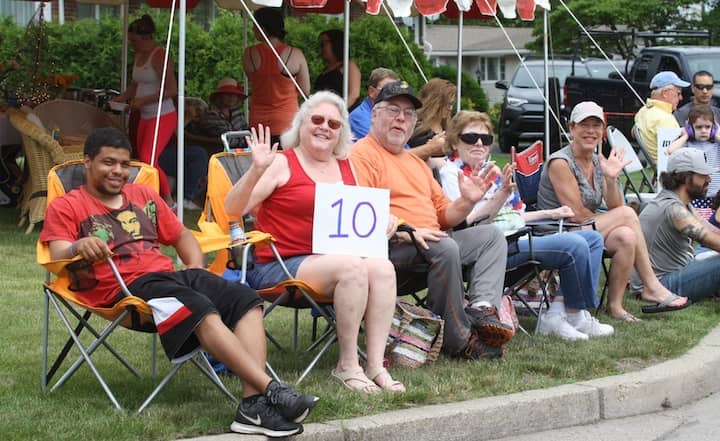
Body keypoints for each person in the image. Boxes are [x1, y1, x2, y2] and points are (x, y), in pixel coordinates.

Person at [39, 127, 318, 438]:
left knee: (244, 297)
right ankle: (272, 390)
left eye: (124, 163)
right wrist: (79, 246)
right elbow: (58, 252)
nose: (118, 171)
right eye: (108, 162)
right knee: (199, 307)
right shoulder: (68, 205)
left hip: (169, 278)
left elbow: (181, 235)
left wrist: (195, 270)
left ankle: (252, 404)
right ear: (87, 162)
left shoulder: (143, 195)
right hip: (124, 288)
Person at [224, 91, 404, 394]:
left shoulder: (347, 167)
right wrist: (256, 169)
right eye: (317, 120)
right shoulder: (282, 162)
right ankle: (347, 365)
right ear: (301, 124)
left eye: (334, 124)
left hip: (333, 259)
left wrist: (384, 221)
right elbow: (231, 210)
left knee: (383, 268)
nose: (325, 127)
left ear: (341, 133)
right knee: (352, 267)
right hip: (279, 264)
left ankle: (375, 364)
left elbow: (358, 216)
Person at [350, 80, 514, 360]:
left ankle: (482, 310)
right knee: (445, 246)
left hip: (431, 242)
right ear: (375, 115)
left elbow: (444, 216)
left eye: (409, 114)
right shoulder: (361, 155)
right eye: (393, 110)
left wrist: (467, 200)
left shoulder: (415, 163)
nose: (401, 118)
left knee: (491, 237)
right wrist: (408, 231)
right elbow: (362, 215)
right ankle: (459, 341)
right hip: (388, 248)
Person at [439, 110, 612, 340]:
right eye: (470, 138)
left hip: (518, 235)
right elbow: (466, 225)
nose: (479, 143)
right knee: (574, 244)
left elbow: (515, 216)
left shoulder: (492, 171)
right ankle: (565, 315)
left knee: (593, 239)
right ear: (455, 141)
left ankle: (566, 311)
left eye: (486, 138)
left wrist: (551, 212)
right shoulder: (452, 174)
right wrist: (500, 196)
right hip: (494, 249)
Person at [537, 101, 689, 322]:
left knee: (626, 236)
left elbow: (614, 208)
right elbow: (575, 213)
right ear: (571, 128)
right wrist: (616, 217)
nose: (591, 131)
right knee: (628, 215)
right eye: (584, 125)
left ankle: (615, 306)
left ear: (603, 130)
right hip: (557, 232)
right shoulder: (560, 162)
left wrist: (611, 178)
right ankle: (651, 285)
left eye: (596, 125)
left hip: (585, 230)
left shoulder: (598, 160)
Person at [631, 147, 720, 304]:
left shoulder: (681, 203)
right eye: (703, 175)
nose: (709, 180)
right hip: (661, 285)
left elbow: (711, 229)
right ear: (686, 177)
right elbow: (713, 241)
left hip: (674, 274)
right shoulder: (675, 210)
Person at [113, 14, 177, 206]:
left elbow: (172, 90)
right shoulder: (139, 54)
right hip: (146, 114)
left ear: (146, 37)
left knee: (150, 159)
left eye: (134, 40)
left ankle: (168, 200)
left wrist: (144, 100)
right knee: (143, 159)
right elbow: (135, 84)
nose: (131, 44)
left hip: (163, 114)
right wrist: (121, 98)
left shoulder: (160, 55)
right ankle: (149, 197)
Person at [243, 7, 310, 147]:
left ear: (263, 27)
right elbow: (305, 90)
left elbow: (253, 80)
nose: (253, 29)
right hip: (288, 121)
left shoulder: (249, 54)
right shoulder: (295, 54)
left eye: (255, 26)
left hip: (258, 123)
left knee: (262, 165)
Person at [666, 104, 720, 220]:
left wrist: (717, 134)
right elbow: (670, 151)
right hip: (695, 196)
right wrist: (685, 135)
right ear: (690, 128)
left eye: (708, 127)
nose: (704, 131)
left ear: (713, 128)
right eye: (699, 127)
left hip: (715, 197)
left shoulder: (716, 144)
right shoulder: (687, 144)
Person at [634, 71, 690, 162]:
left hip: (654, 167)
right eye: (678, 93)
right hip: (668, 170)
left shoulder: (643, 111)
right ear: (665, 93)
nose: (681, 98)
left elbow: (633, 132)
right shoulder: (664, 118)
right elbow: (672, 154)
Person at [407, 78, 456, 161]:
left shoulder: (450, 128)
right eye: (446, 104)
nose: (450, 108)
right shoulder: (415, 130)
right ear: (434, 102)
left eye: (451, 104)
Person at [192, 77, 248, 148]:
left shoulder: (238, 114)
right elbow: (225, 140)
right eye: (227, 94)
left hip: (243, 151)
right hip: (220, 154)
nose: (231, 97)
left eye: (234, 94)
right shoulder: (210, 116)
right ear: (219, 96)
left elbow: (247, 133)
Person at [349, 67, 400, 141]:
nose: (393, 95)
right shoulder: (359, 118)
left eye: (396, 91)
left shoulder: (390, 115)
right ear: (372, 92)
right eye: (387, 90)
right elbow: (385, 149)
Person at [314, 29, 361, 108]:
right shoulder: (327, 68)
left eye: (323, 44)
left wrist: (340, 111)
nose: (321, 48)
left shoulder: (348, 65)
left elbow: (354, 94)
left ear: (335, 43)